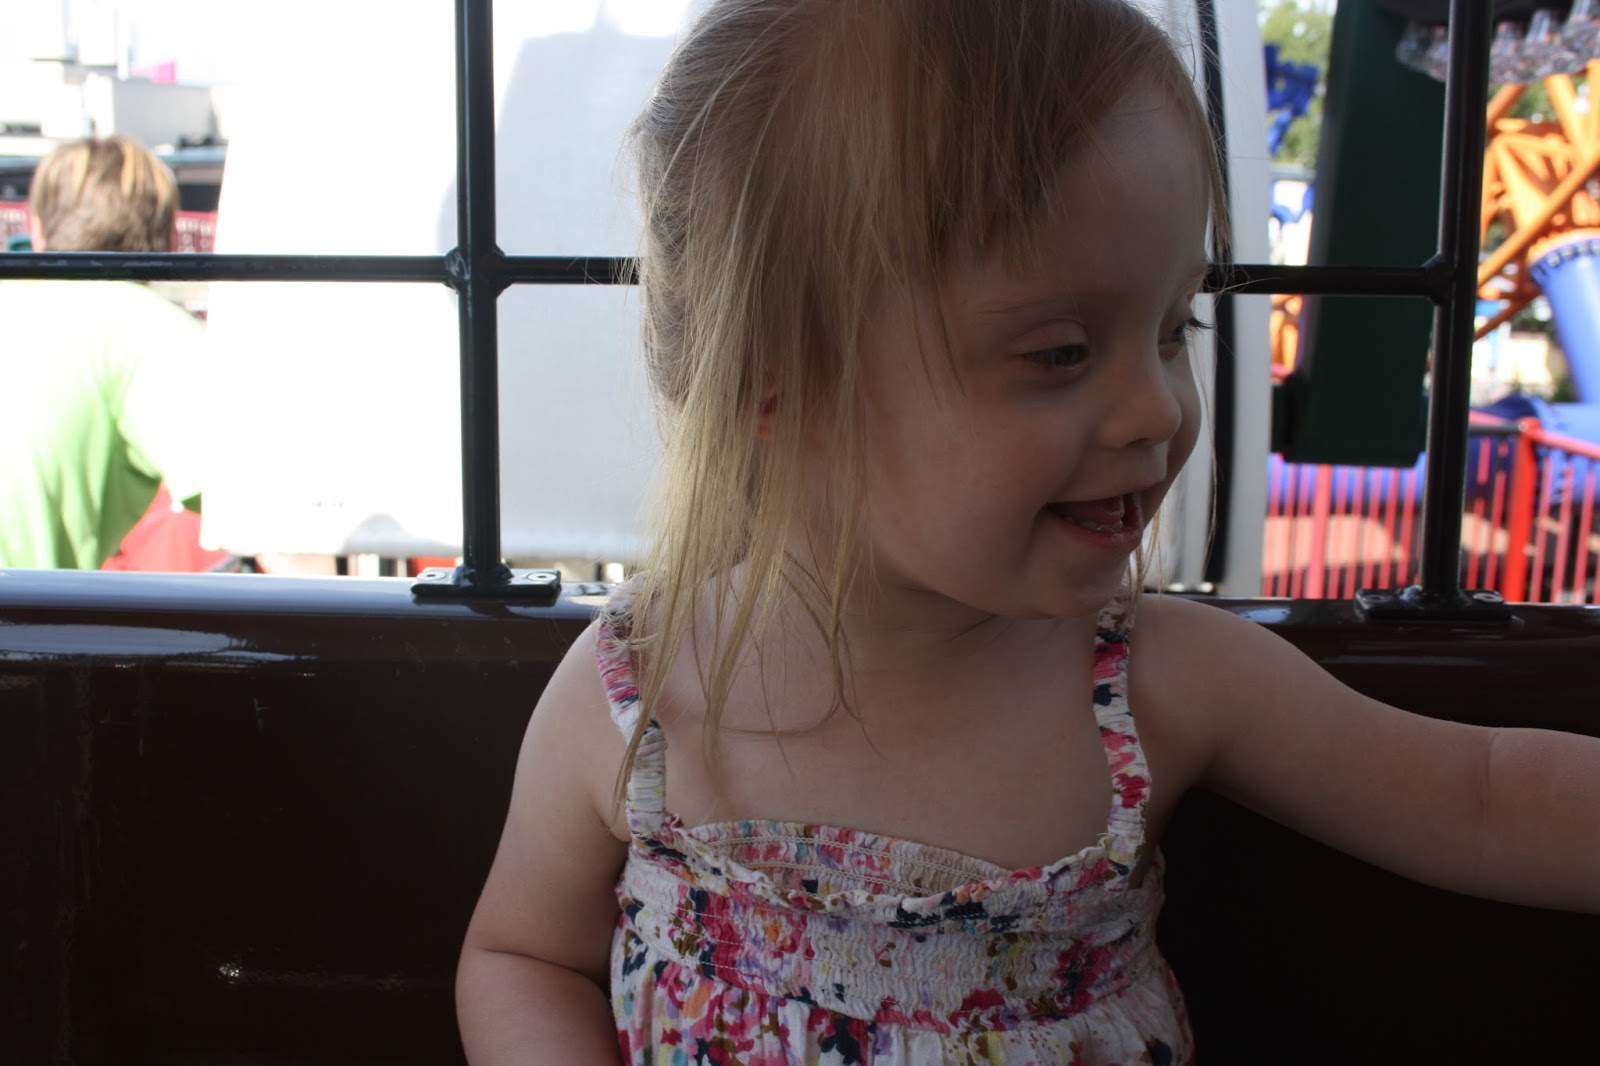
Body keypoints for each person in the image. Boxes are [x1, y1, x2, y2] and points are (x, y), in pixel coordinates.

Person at [456, 1, 1600, 1062]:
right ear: (779, 379)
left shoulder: (1153, 681)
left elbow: (1481, 793)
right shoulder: (642, 693)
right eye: (1058, 352)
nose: (1157, 408)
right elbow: (520, 956)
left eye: (1174, 326)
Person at [0, 134, 209, 570]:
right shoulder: (148, 329)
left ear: (36, 230)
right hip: (21, 607)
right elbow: (267, 523)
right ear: (172, 239)